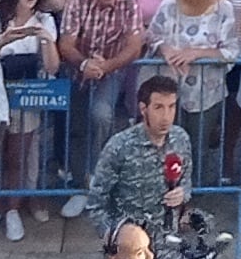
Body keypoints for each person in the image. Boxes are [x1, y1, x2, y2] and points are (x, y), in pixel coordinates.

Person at [81, 74, 193, 237]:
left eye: (171, 107)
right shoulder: (120, 146)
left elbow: (186, 182)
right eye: (158, 107)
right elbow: (95, 203)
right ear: (143, 109)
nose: (166, 116)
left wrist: (182, 194)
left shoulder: (181, 140)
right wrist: (115, 238)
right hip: (128, 249)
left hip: (168, 243)